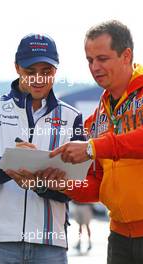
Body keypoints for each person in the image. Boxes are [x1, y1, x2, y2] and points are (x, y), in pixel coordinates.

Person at [0, 33, 84, 264]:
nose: (39, 79)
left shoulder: (72, 117)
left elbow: (76, 185)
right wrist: (10, 163)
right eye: (31, 72)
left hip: (51, 243)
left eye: (47, 71)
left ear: (56, 71)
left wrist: (41, 185)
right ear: (17, 67)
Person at [42, 21, 143, 264]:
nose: (94, 67)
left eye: (102, 58)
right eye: (89, 60)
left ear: (126, 55)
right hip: (118, 236)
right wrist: (63, 183)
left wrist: (91, 147)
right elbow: (98, 186)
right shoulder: (98, 115)